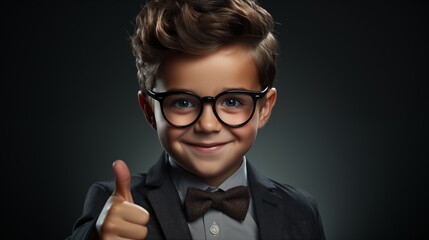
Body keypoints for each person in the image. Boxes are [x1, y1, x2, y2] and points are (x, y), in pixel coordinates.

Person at [66, 0, 325, 239]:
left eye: (232, 101)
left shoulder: (300, 210)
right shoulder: (114, 204)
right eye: (183, 102)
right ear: (149, 109)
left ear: (264, 108)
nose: (208, 126)